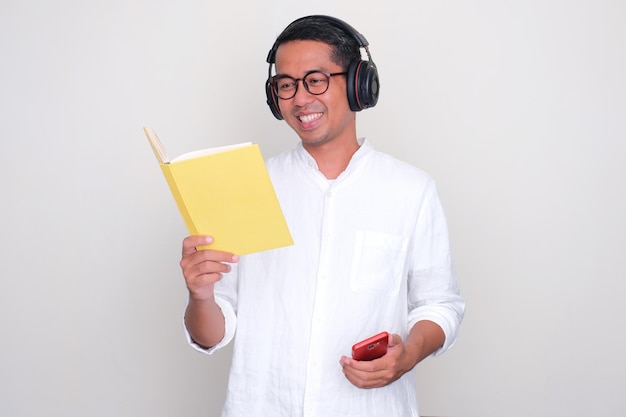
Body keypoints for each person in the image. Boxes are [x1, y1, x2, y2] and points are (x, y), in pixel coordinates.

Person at [180, 15, 465, 417]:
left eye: (315, 79)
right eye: (286, 85)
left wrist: (408, 355)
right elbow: (212, 333)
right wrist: (200, 295)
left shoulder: (412, 190)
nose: (299, 99)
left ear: (358, 84)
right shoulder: (245, 188)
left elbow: (440, 304)